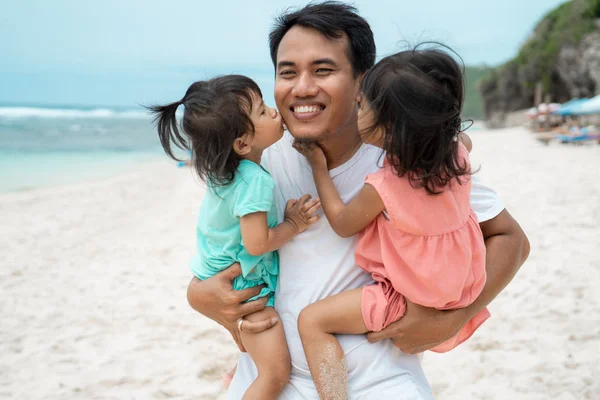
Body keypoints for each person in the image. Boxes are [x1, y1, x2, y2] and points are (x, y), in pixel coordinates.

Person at [187, 3, 530, 399]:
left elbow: (511, 239)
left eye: (323, 70)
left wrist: (455, 318)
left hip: (379, 381)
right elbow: (218, 249)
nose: (301, 88)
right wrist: (198, 295)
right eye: (287, 73)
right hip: (270, 377)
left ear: (362, 83)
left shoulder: (410, 156)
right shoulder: (258, 161)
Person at [293, 47, 490, 400]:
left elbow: (341, 222)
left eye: (362, 105)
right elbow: (464, 139)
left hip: (410, 295)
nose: (356, 105)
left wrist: (318, 167)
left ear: (389, 125)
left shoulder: (386, 186)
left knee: (311, 322)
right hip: (462, 282)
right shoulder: (457, 152)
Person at [148, 75, 320, 399]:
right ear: (242, 143)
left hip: (215, 273)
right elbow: (256, 244)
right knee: (274, 374)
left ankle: (233, 379)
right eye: (262, 111)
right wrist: (294, 225)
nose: (273, 111)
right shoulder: (254, 179)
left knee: (258, 364)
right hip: (244, 284)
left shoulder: (223, 172)